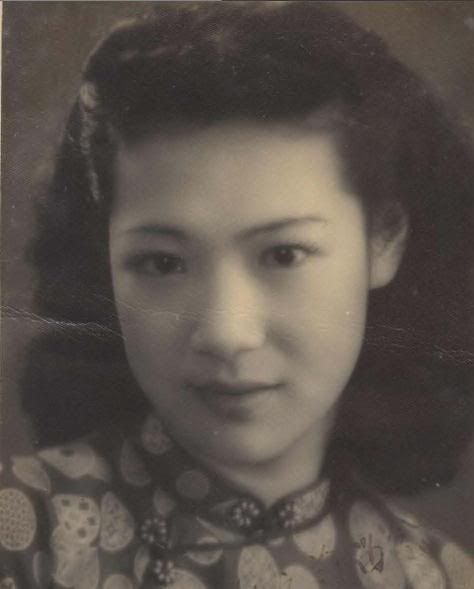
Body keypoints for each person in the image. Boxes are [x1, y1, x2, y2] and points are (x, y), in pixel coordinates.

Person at [1, 2, 473, 588]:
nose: (227, 333)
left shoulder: (433, 575)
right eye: (162, 262)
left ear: (383, 241)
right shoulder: (22, 536)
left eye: (284, 254)